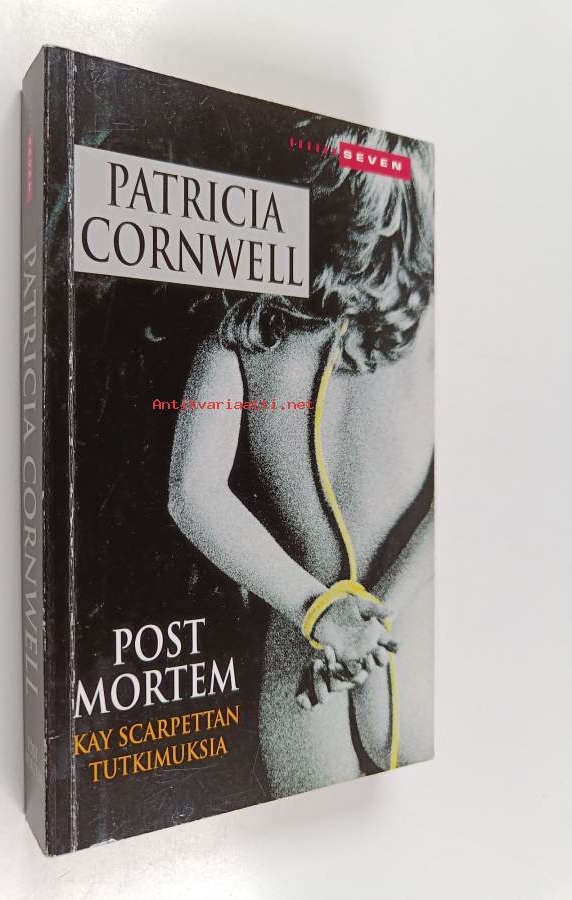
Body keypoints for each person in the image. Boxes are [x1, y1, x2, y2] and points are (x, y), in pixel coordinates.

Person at [168, 124, 434, 797]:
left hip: (305, 647)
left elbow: (192, 494)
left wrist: (323, 617)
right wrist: (375, 620)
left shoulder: (237, 332)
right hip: (413, 637)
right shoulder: (433, 322)